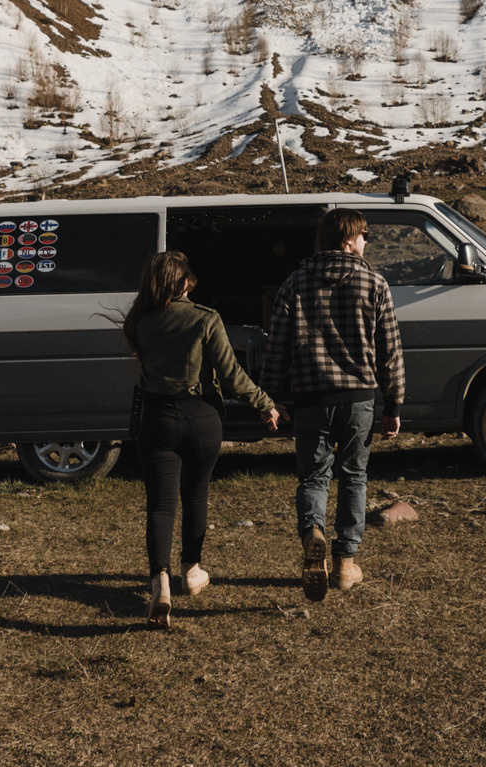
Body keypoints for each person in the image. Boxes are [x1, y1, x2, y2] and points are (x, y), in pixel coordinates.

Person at [123, 250, 280, 629]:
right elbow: (231, 374)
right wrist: (264, 403)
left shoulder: (139, 321)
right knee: (196, 495)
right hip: (201, 418)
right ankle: (191, 571)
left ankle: (159, 579)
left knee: (160, 505)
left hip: (157, 418)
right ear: (181, 283)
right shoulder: (205, 318)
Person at [264, 207, 404, 602]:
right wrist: (393, 405)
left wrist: (270, 396)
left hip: (311, 399)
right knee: (354, 476)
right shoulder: (374, 282)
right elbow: (390, 352)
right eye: (363, 235)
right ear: (347, 240)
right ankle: (345, 563)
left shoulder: (294, 283)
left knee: (313, 477)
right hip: (359, 399)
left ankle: (313, 531)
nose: (366, 242)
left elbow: (277, 346)